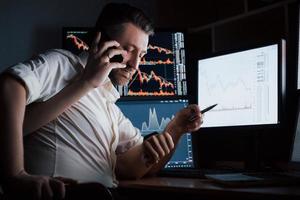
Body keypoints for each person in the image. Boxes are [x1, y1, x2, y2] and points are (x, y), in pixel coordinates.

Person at [0, 3, 203, 200]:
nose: (135, 65)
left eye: (141, 55)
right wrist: (15, 174)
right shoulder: (62, 64)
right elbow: (10, 85)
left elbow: (132, 167)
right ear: (100, 41)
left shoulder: (109, 107)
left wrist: (175, 129)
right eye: (128, 49)